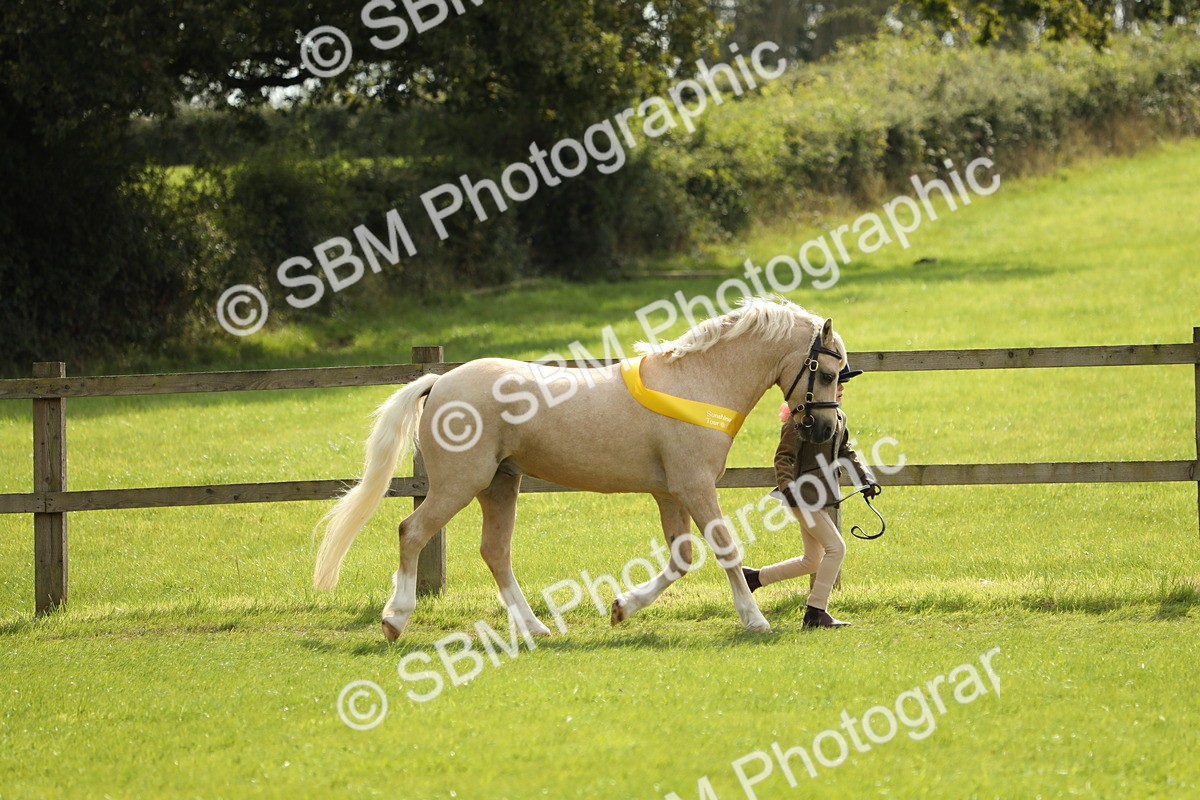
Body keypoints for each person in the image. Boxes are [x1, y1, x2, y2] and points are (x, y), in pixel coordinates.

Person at [743, 362, 879, 628]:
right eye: (836, 383)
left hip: (821, 495)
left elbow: (846, 451)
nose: (841, 389)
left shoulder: (838, 417)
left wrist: (865, 478)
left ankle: (754, 578)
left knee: (812, 560)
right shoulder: (801, 419)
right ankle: (816, 612)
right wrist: (788, 488)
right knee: (836, 548)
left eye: (843, 383)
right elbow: (783, 458)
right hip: (801, 496)